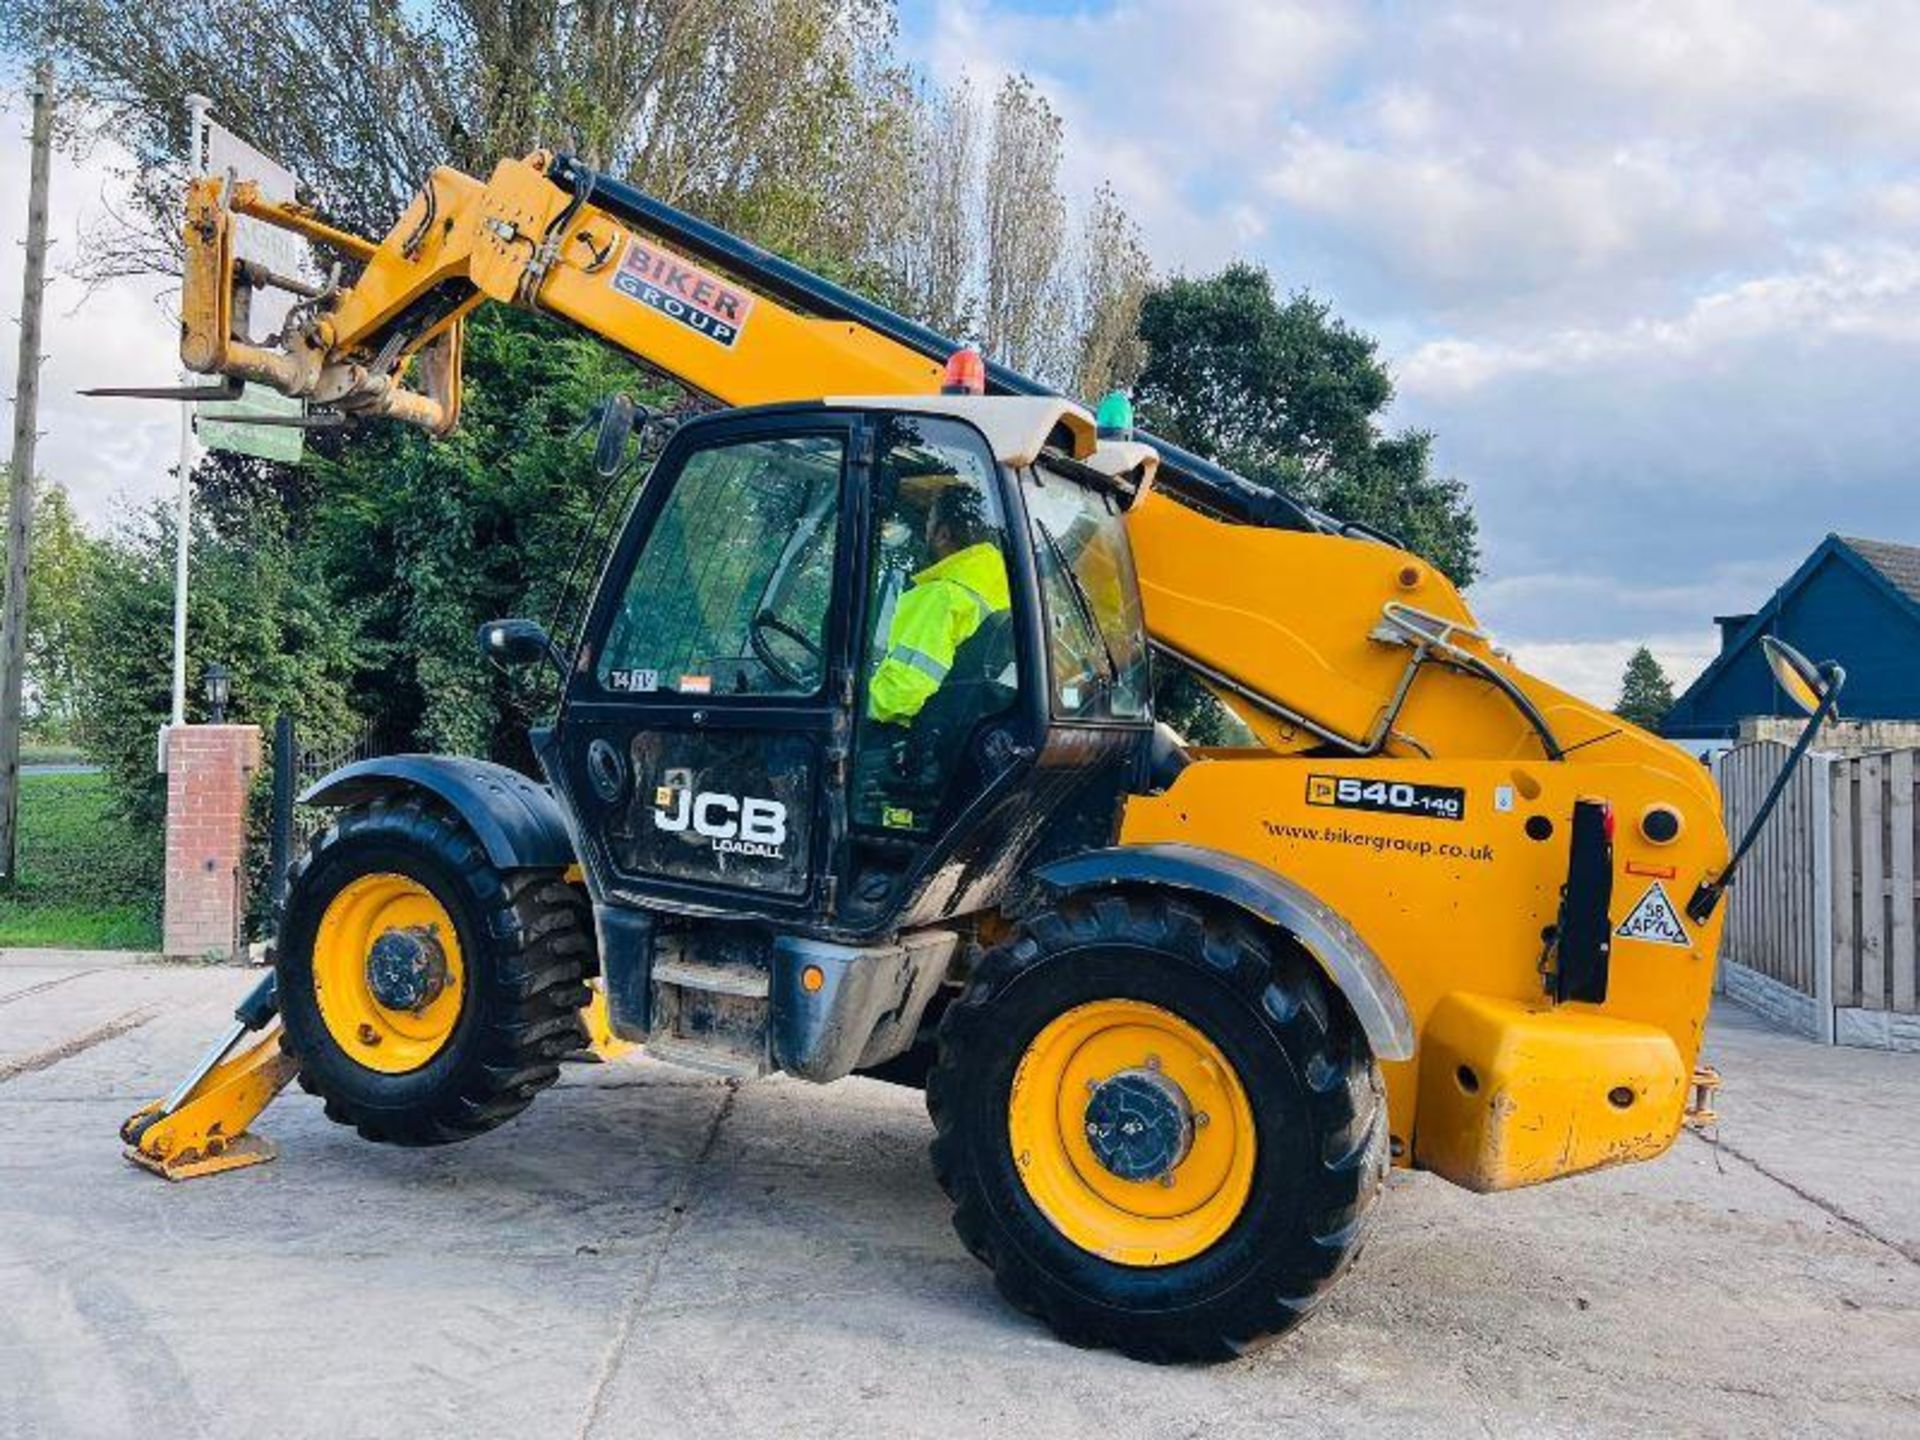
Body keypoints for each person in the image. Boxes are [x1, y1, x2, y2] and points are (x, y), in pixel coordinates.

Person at [868, 481, 1010, 726]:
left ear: (943, 534)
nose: (925, 532)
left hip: (915, 741)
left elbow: (901, 694)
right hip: (965, 732)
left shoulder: (942, 597)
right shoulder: (1007, 588)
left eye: (929, 523)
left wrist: (858, 707)